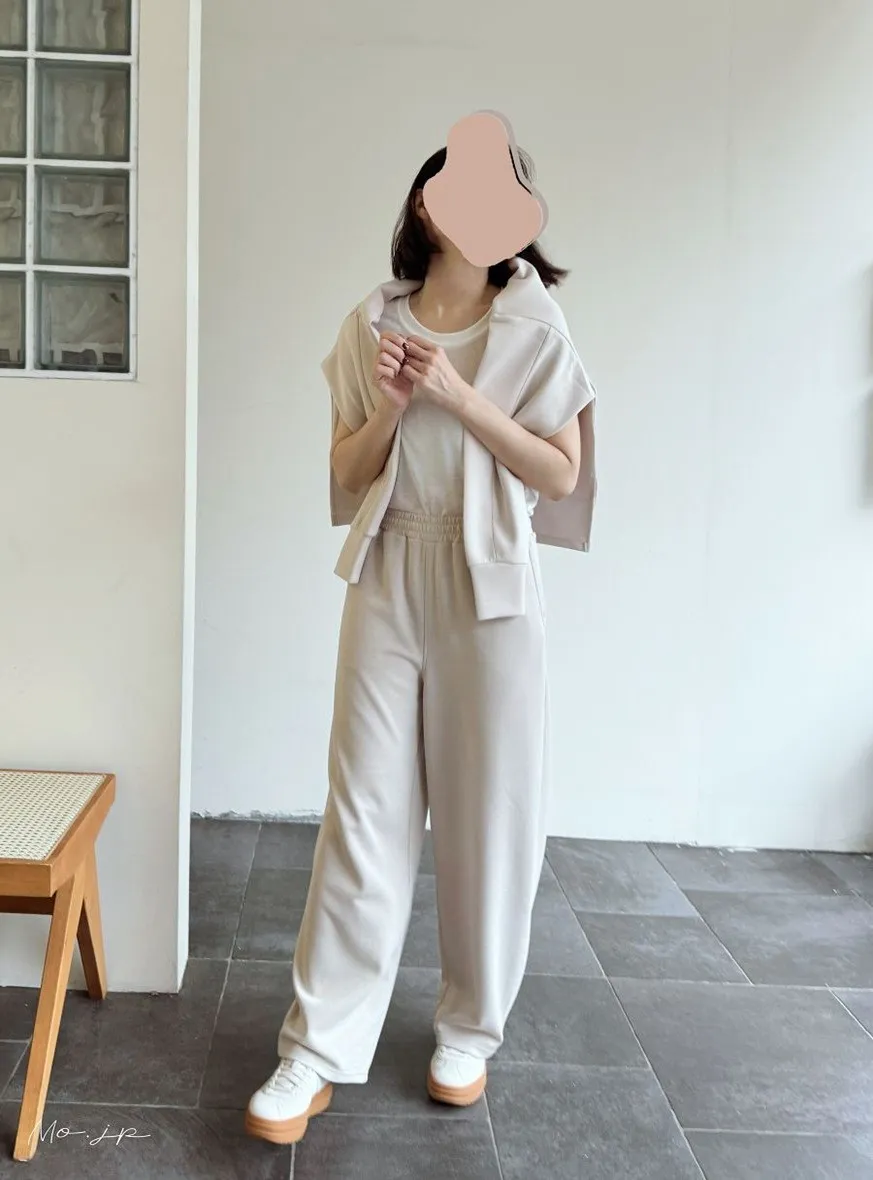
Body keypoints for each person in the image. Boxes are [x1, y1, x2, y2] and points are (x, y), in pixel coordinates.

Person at [245, 145, 596, 1146]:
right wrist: (395, 407)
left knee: (491, 815)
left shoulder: (534, 324)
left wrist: (458, 395)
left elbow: (560, 475)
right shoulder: (373, 321)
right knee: (361, 809)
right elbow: (347, 467)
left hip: (493, 585)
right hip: (391, 565)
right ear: (426, 206)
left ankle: (468, 1032)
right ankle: (317, 1047)